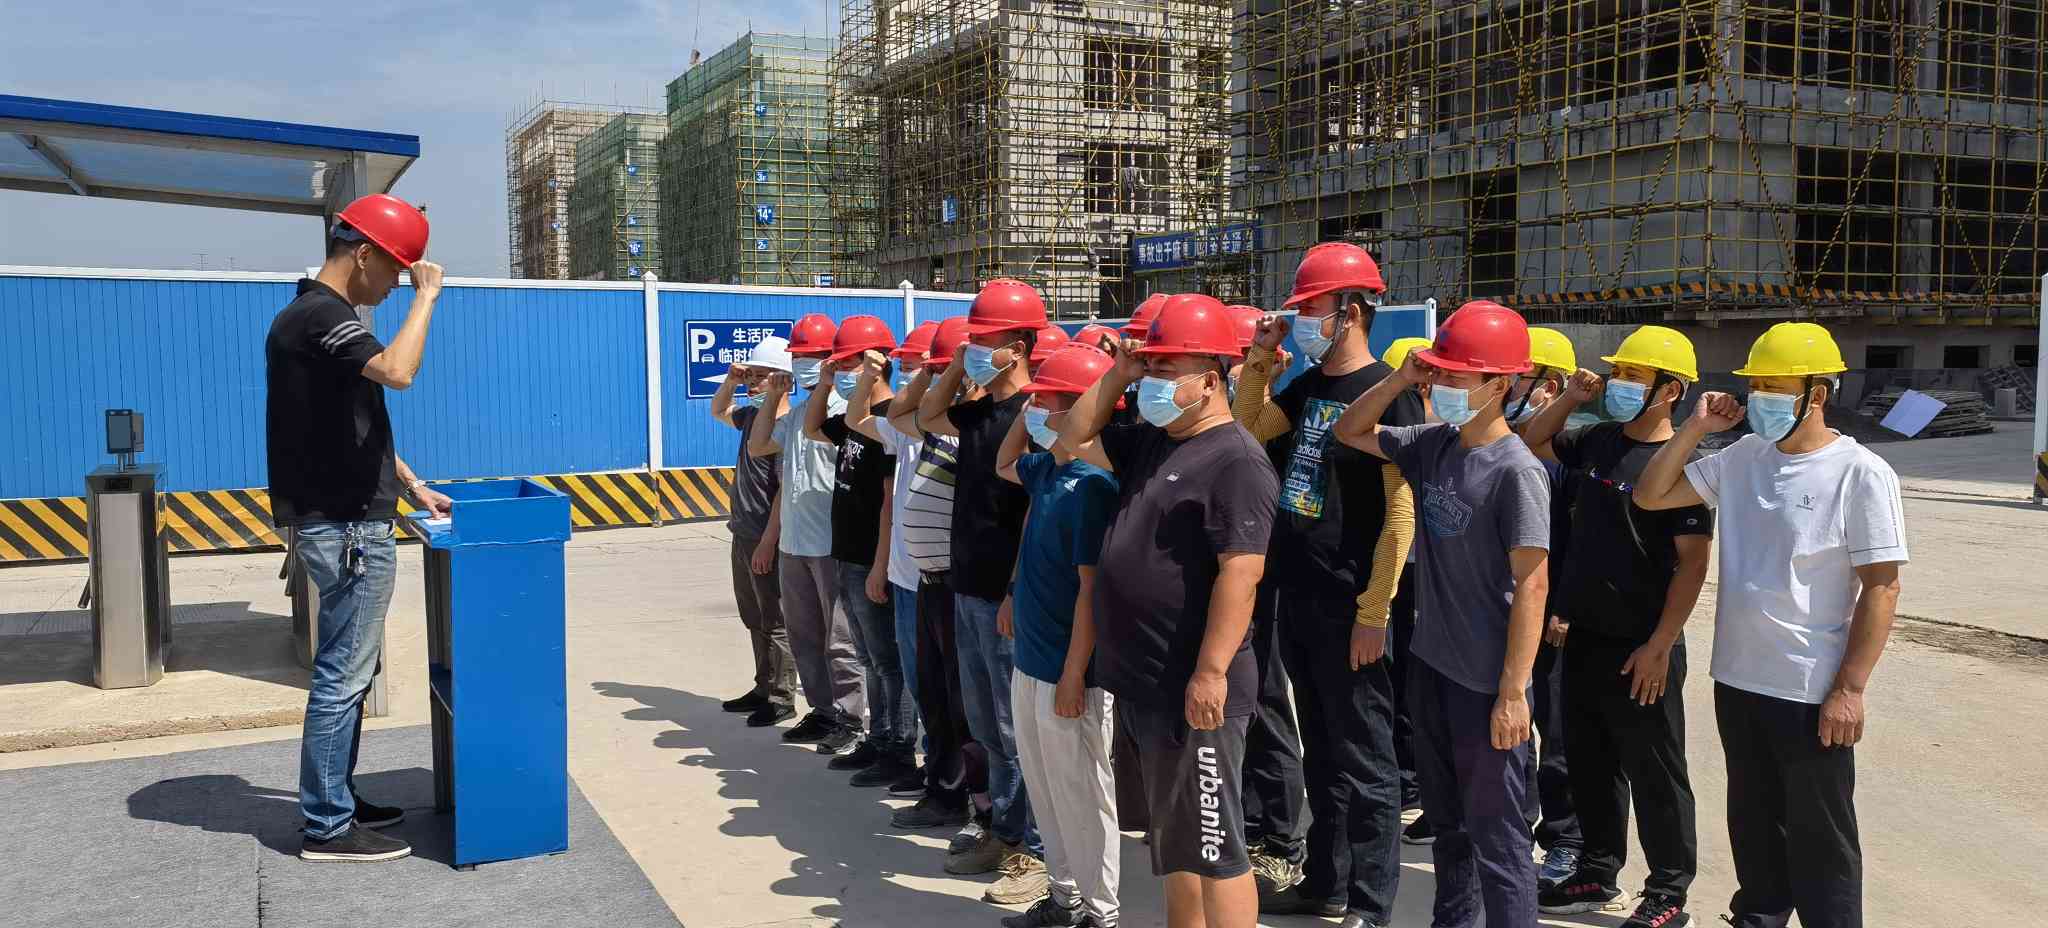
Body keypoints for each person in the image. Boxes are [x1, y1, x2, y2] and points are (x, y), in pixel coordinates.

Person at [1633, 322, 1905, 928]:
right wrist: (1697, 427)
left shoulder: (1860, 473)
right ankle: (1759, 916)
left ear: (1817, 394)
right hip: (1738, 677)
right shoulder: (1743, 457)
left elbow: (1882, 587)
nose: (1759, 399)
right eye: (1754, 387)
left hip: (1810, 687)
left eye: (1774, 388)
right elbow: (1651, 495)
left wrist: (1850, 688)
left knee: (1822, 837)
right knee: (1753, 822)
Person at [1057, 294, 1278, 928]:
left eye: (1165, 368)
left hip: (1193, 689)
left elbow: (1242, 573)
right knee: (1175, 843)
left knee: (1216, 847)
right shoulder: (1155, 442)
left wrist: (1210, 672)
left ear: (1210, 380)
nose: (1151, 379)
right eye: (1149, 366)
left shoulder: (1236, 460)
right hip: (1145, 682)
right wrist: (1121, 372)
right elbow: (1072, 435)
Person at [1332, 300, 1551, 928]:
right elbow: (1350, 430)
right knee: (1449, 826)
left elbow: (1532, 586)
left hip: (1486, 683)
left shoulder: (1517, 472)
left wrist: (1514, 692)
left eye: (1459, 375)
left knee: (1498, 839)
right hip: (1431, 668)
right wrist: (1401, 378)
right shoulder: (1433, 444)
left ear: (1500, 384)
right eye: (1442, 371)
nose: (1445, 384)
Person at [1230, 243, 1420, 928]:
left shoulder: (1389, 393)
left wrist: (1376, 609)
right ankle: (1326, 882)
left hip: (1352, 601)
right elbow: (1249, 429)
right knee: (1325, 753)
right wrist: (1260, 358)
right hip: (1301, 592)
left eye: (1312, 308)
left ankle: (1370, 903)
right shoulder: (1309, 385)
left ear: (1352, 310)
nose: (1303, 319)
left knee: (1367, 761)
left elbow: (1401, 511)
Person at [271, 193, 450, 863]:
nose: (399, 282)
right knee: (343, 675)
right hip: (346, 528)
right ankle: (327, 825)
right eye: (397, 269)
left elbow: (354, 426)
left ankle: (336, 796)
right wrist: (428, 297)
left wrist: (411, 484)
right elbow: (399, 372)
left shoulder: (315, 318)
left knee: (351, 670)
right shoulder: (322, 317)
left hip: (345, 520)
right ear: (364, 253)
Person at [1520, 324, 1712, 927]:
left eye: (1634, 376)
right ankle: (1598, 870)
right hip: (1585, 635)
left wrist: (1660, 644)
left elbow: (1693, 565)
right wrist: (1573, 397)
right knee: (1591, 761)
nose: (1619, 384)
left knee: (1656, 770)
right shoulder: (1597, 439)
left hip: (1643, 645)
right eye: (1618, 373)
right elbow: (1533, 439)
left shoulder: (1683, 466)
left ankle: (1669, 892)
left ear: (1669, 390)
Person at [918, 279, 1048, 901]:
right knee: (987, 726)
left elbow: (1034, 512)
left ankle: (1035, 850)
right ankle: (1003, 829)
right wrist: (956, 362)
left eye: (985, 341)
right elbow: (926, 416)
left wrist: (1016, 590)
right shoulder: (978, 413)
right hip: (967, 589)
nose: (974, 351)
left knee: (1015, 728)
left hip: (1005, 596)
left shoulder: (1035, 415)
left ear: (1018, 347)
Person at [992, 343, 1125, 928]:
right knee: (1046, 789)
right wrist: (1026, 420)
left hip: (1071, 674)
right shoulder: (1048, 469)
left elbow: (1091, 592)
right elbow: (1003, 463)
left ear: (1080, 409)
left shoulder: (1094, 486)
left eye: (1045, 402)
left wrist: (1074, 674)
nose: (1035, 411)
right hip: (1031, 659)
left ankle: (1101, 911)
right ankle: (1064, 896)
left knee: (1084, 796)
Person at [876, 316, 991, 835]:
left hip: (957, 583)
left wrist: (967, 376)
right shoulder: (937, 422)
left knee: (965, 704)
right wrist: (934, 372)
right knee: (934, 696)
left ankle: (976, 803)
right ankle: (943, 790)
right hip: (927, 582)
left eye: (952, 369)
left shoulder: (974, 427)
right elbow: (904, 413)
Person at [750, 314, 868, 753]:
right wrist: (772, 397)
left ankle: (852, 717)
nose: (802, 364)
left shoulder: (844, 412)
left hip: (829, 544)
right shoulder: (800, 413)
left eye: (811, 356)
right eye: (798, 356)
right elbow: (759, 445)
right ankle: (822, 711)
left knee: (841, 640)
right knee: (804, 635)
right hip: (794, 543)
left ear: (831, 360)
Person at [1500, 326, 1585, 888]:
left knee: (1557, 734)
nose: (1508, 387)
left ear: (1548, 386)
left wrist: (1565, 607)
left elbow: (1580, 539)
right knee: (1513, 727)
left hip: (1553, 612)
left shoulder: (1567, 452)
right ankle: (1516, 828)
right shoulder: (1505, 439)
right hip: (1513, 609)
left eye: (1518, 378)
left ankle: (1566, 840)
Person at [808, 316, 910, 783]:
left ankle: (898, 747)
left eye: (848, 363)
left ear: (876, 363)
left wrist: (880, 564)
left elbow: (889, 499)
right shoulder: (856, 417)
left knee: (888, 662)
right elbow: (814, 427)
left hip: (871, 558)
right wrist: (827, 382)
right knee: (868, 657)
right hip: (847, 554)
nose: (843, 370)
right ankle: (878, 737)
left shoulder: (887, 418)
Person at [709, 335, 800, 727]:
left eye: (761, 376)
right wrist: (730, 381)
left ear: (783, 380)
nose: (752, 382)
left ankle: (781, 697)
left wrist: (767, 542)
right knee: (753, 615)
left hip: (767, 536)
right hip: (743, 531)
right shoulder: (751, 417)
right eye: (751, 374)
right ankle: (763, 686)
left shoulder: (785, 427)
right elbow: (719, 410)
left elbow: (782, 491)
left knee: (775, 619)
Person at [1378, 335, 1432, 838]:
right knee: (1395, 679)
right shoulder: (1401, 437)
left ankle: (1414, 782)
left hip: (1424, 575)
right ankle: (1405, 778)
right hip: (1396, 570)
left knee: (1416, 683)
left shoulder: (1442, 441)